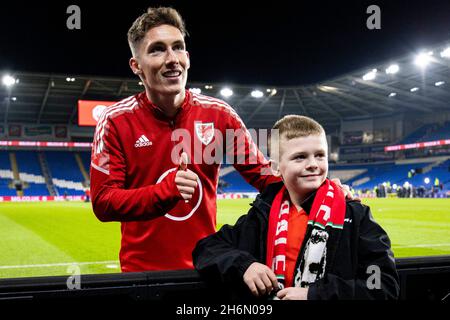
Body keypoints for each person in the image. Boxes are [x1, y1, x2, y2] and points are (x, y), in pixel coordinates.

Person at [90, 7, 351, 272]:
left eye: (178, 48)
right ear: (136, 66)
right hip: (141, 275)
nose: (172, 59)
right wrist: (165, 191)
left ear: (188, 57)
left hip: (206, 268)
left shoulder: (218, 114)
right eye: (157, 49)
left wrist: (325, 191)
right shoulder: (115, 120)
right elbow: (103, 202)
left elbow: (263, 176)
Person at [193, 115, 399, 300]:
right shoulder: (261, 215)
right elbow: (206, 249)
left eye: (320, 155)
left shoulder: (355, 217)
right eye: (300, 157)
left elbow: (383, 286)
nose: (313, 164)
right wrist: (244, 265)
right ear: (275, 167)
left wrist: (314, 295)